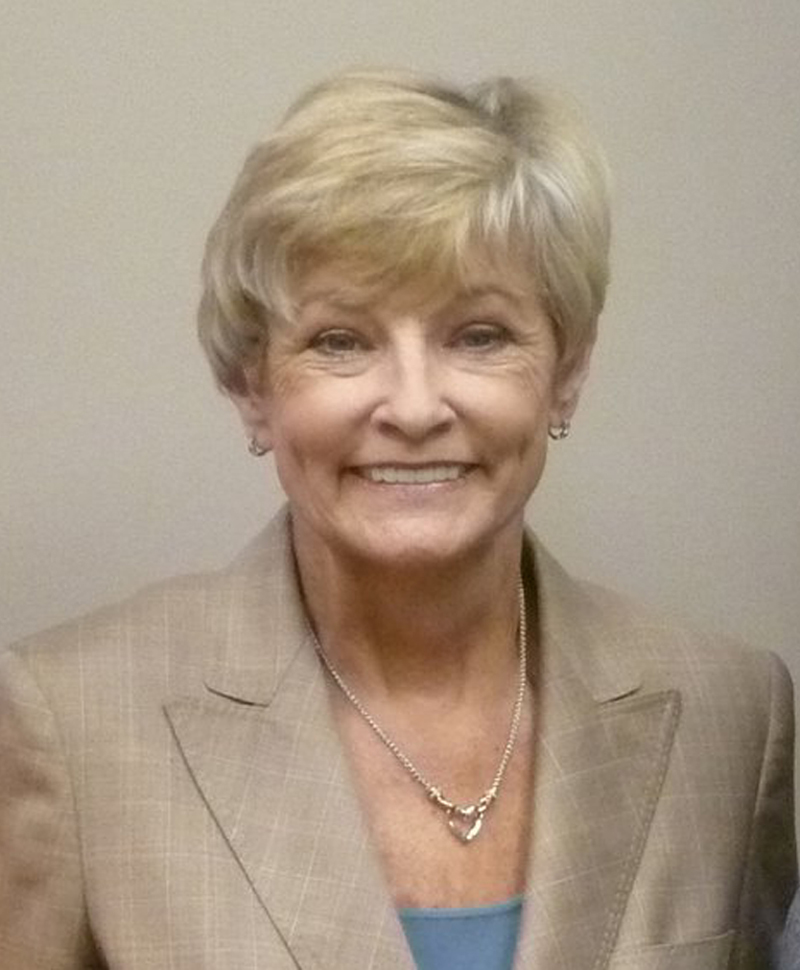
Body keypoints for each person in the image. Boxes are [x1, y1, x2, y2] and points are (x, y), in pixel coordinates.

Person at [0, 69, 795, 970]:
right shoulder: (72, 722)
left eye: (479, 335)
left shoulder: (735, 717)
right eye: (341, 340)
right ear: (253, 387)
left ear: (566, 372)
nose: (415, 408)